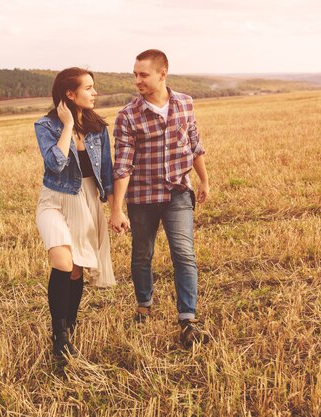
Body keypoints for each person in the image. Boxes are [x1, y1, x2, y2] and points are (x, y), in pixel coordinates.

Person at [109, 49, 210, 347]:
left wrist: (203, 179)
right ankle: (144, 306)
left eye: (143, 74)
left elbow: (194, 144)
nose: (137, 80)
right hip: (141, 197)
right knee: (142, 255)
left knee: (184, 253)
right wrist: (117, 209)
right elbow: (123, 166)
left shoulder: (185, 104)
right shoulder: (128, 116)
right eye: (135, 75)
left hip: (178, 192)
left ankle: (188, 319)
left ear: (162, 73)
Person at [34, 67, 116, 360]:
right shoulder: (46, 126)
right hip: (55, 201)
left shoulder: (98, 129)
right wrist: (68, 126)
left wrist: (117, 210)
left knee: (77, 268)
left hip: (87, 201)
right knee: (63, 262)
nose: (95, 93)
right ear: (70, 94)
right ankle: (59, 338)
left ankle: (69, 328)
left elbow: (107, 171)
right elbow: (55, 164)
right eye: (89, 88)